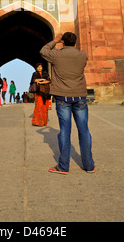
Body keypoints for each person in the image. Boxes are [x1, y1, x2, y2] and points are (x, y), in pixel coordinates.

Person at [40, 32, 95, 174]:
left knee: (65, 131)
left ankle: (64, 166)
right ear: (75, 42)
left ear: (63, 42)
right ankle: (89, 166)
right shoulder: (82, 55)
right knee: (84, 131)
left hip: (62, 97)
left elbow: (43, 51)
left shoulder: (56, 55)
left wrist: (55, 41)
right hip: (79, 97)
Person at [30, 62, 51, 127]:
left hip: (45, 92)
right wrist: (41, 80)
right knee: (39, 105)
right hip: (38, 92)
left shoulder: (45, 73)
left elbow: (49, 80)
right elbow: (33, 80)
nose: (39, 68)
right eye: (38, 67)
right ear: (36, 68)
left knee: (44, 106)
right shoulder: (35, 74)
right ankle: (37, 121)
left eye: (40, 67)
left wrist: (42, 81)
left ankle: (43, 121)